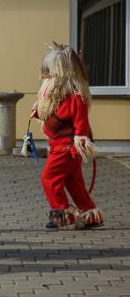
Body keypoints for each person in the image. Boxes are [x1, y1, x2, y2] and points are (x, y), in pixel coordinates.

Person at [32, 42, 104, 229]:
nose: (48, 74)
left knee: (49, 179)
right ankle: (91, 215)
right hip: (59, 145)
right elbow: (52, 116)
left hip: (66, 147)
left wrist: (79, 144)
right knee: (73, 183)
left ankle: (63, 215)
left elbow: (81, 124)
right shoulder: (56, 95)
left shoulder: (75, 97)